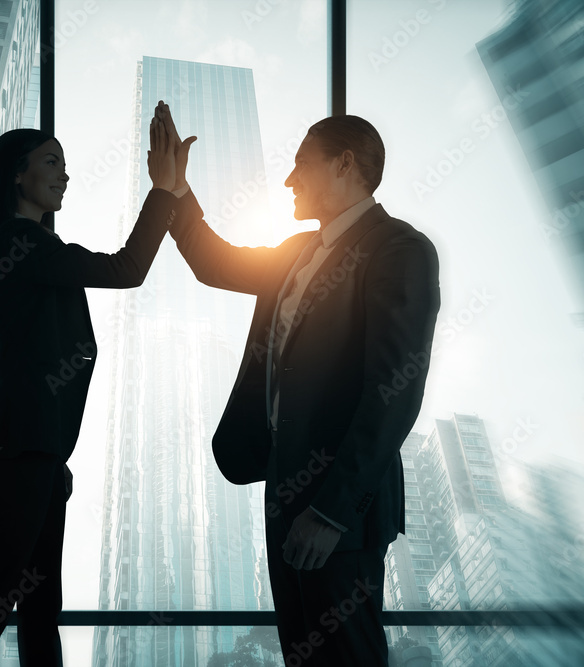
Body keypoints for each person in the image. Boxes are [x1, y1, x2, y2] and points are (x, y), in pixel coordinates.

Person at [156, 101, 441, 665]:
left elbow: (394, 390)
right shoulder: (296, 253)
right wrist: (175, 191)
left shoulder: (400, 250)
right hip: (285, 492)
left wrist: (333, 511)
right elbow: (215, 264)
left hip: (342, 507)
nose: (289, 178)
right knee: (303, 655)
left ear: (344, 164)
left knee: (348, 655)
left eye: (301, 163)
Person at [0, 112, 183, 666]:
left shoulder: (25, 247)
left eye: (66, 165)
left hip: (38, 450)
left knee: (36, 604)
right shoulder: (20, 241)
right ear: (15, 174)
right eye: (51, 162)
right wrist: (165, 190)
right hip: (23, 447)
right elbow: (127, 268)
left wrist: (53, 463)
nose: (65, 175)